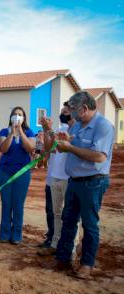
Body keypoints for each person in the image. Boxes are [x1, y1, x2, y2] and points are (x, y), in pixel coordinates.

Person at [55, 91, 114, 280]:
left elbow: (99, 157)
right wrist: (64, 141)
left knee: (89, 225)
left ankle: (87, 264)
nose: (71, 114)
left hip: (93, 182)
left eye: (73, 110)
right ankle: (63, 259)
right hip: (74, 181)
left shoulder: (103, 126)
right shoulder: (77, 125)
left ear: (85, 108)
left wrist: (70, 147)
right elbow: (65, 145)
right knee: (69, 220)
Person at [38, 103, 80, 257]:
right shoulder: (60, 129)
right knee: (56, 213)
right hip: (55, 177)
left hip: (69, 178)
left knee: (71, 215)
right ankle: (55, 243)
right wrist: (46, 129)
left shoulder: (79, 130)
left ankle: (72, 247)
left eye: (66, 112)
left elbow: (66, 148)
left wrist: (50, 130)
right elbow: (50, 148)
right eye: (62, 111)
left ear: (74, 113)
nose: (63, 114)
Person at [0, 107, 36, 244]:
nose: (17, 117)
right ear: (11, 117)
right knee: (6, 203)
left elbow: (30, 148)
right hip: (4, 172)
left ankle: (17, 235)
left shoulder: (30, 132)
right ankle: (5, 234)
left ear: (24, 118)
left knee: (18, 204)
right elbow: (3, 149)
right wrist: (12, 133)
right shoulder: (3, 131)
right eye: (15, 114)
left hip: (22, 173)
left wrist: (21, 132)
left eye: (20, 115)